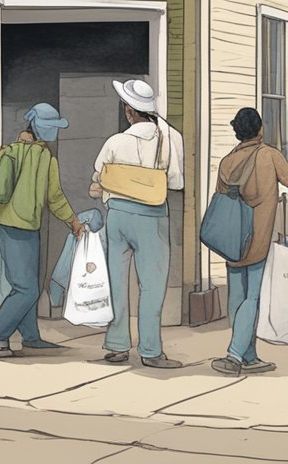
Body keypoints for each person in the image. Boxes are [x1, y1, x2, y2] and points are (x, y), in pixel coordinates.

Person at [91, 79, 186, 369]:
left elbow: (98, 176)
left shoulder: (115, 141)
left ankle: (118, 345)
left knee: (117, 283)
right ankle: (150, 350)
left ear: (128, 111)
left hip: (117, 215)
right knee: (152, 286)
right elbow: (176, 182)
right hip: (152, 215)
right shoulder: (170, 138)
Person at [0, 104, 85, 359]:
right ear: (40, 127)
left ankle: (30, 336)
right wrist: (72, 221)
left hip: (22, 226)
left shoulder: (22, 152)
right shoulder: (35, 155)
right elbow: (55, 197)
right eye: (52, 127)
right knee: (26, 288)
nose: (55, 132)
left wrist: (72, 220)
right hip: (15, 227)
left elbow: (53, 196)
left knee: (29, 284)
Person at [211, 108, 288, 376]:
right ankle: (235, 355)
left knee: (236, 298)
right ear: (260, 130)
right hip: (258, 238)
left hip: (231, 238)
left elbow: (221, 196)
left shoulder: (227, 161)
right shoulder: (270, 155)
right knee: (253, 296)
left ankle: (249, 356)